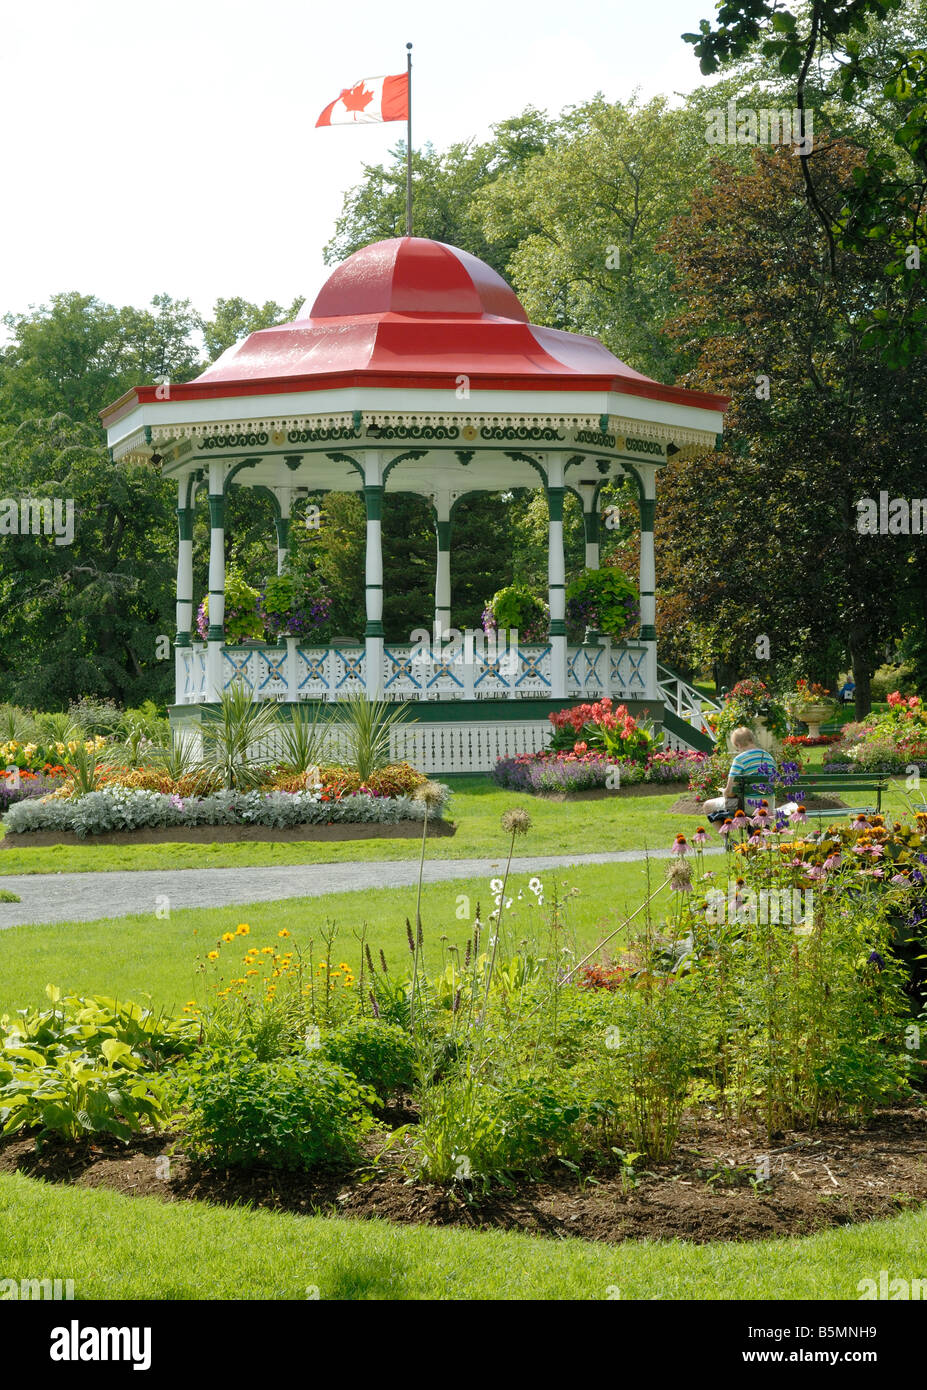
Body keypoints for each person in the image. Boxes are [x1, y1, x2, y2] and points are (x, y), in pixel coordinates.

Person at [702, 726, 776, 820]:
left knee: (707, 805)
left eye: (737, 748)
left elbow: (730, 793)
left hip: (747, 807)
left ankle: (726, 830)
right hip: (769, 806)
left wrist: (724, 792)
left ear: (738, 744)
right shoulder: (769, 757)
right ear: (752, 740)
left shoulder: (740, 759)